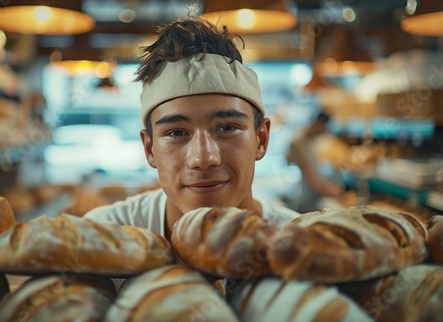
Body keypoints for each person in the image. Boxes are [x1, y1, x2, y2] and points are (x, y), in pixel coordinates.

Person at [84, 16, 299, 239]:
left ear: (261, 139)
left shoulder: (301, 245)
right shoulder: (103, 238)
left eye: (227, 128)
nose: (204, 158)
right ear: (149, 149)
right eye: (176, 132)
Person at [285, 111, 344, 213]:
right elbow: (312, 179)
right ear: (319, 124)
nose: (326, 131)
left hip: (311, 200)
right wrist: (331, 191)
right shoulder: (298, 144)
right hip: (302, 203)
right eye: (325, 127)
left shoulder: (310, 142)